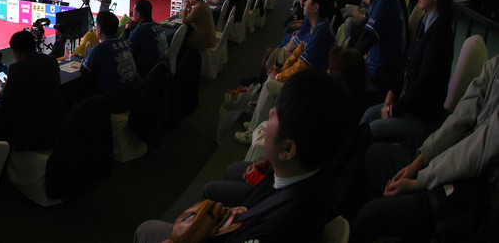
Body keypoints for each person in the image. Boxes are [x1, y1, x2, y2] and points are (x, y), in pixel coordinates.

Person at [135, 70, 357, 243]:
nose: (270, 112)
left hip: (240, 227)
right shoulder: (311, 167)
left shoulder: (276, 228)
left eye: (277, 114)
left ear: (288, 150)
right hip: (245, 217)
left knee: (146, 230)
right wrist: (270, 165)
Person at [351, 52, 499, 242]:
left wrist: (418, 180)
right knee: (373, 156)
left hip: (476, 193)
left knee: (369, 218)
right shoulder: (494, 65)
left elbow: (477, 151)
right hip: (445, 165)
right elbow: (458, 120)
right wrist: (417, 163)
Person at [359, 0, 455, 140]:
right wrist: (392, 92)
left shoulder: (440, 34)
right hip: (405, 102)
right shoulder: (426, 22)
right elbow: (408, 64)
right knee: (367, 116)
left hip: (420, 116)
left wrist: (393, 110)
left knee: (370, 130)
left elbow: (423, 87)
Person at [236, 0, 336, 145]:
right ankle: (258, 123)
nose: (304, 2)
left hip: (311, 87)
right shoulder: (317, 26)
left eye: (308, 0)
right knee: (271, 79)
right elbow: (297, 54)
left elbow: (301, 66)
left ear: (316, 7)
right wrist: (282, 69)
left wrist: (280, 75)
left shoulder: (320, 33)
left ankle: (253, 131)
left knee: (270, 84)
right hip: (306, 78)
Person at [0, 30, 64, 152]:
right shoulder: (51, 61)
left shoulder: (16, 68)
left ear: (16, 51)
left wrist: (4, 87)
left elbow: (5, 99)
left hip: (31, 131)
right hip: (55, 123)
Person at [353, 0, 406, 93]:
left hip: (379, 77)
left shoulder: (387, 2)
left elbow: (366, 40)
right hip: (373, 67)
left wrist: (344, 60)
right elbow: (363, 28)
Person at [81, 10, 139, 113]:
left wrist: (84, 63)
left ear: (99, 30)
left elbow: (85, 71)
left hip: (114, 105)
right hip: (133, 100)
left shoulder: (99, 48)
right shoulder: (124, 42)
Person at [127, 0, 169, 77]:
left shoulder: (140, 31)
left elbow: (126, 51)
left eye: (134, 13)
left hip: (149, 77)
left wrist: (126, 30)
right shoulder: (157, 26)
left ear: (138, 15)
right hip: (165, 73)